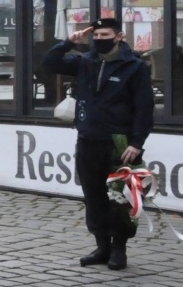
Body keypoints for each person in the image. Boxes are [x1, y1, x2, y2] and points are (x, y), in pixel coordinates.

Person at [42, 17, 154, 270]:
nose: (100, 40)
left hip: (119, 141)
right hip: (88, 138)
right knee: (93, 195)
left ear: (119, 36)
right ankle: (101, 245)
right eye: (97, 36)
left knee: (119, 198)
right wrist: (69, 41)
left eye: (106, 35)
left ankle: (119, 249)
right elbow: (50, 62)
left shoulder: (133, 66)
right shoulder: (86, 61)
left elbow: (144, 108)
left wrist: (137, 142)